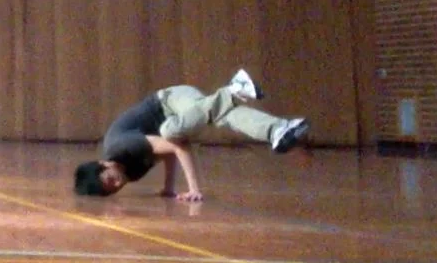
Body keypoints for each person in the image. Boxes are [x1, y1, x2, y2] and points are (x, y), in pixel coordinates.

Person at [72, 69, 310, 201]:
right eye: (113, 189)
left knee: (169, 131)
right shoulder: (129, 173)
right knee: (223, 115)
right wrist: (167, 188)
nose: (117, 184)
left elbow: (177, 146)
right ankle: (278, 129)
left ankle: (232, 89)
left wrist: (194, 188)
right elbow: (165, 154)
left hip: (171, 101)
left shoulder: (121, 147)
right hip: (180, 118)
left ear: (104, 164)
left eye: (110, 180)